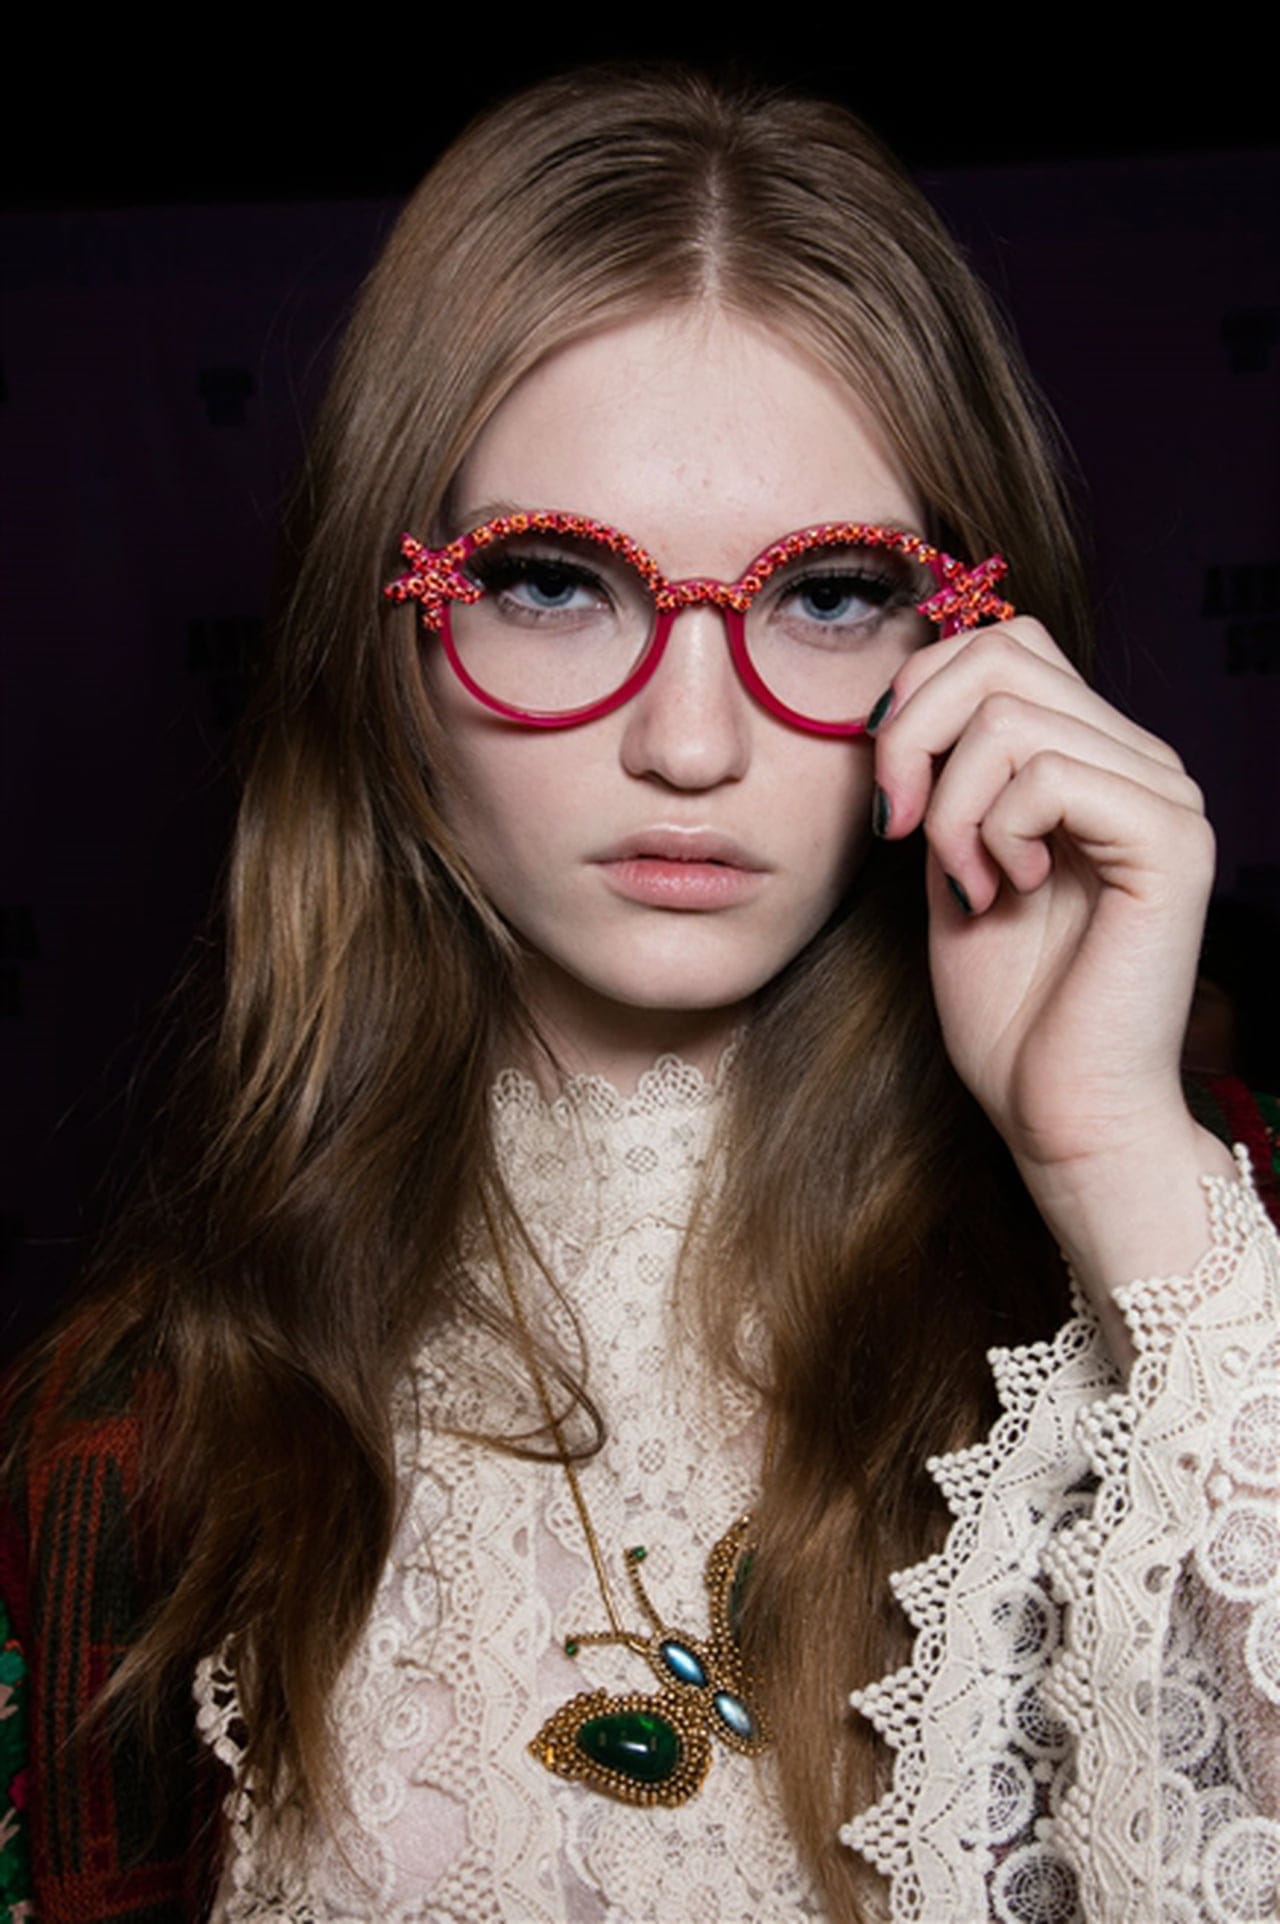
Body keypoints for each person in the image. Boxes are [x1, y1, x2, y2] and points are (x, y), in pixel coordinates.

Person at [4, 66, 1278, 1924]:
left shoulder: (1210, 1278)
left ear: (972, 643)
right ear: (388, 646)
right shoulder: (128, 1433)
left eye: (828, 596)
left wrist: (1107, 1159)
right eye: (550, 582)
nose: (692, 743)